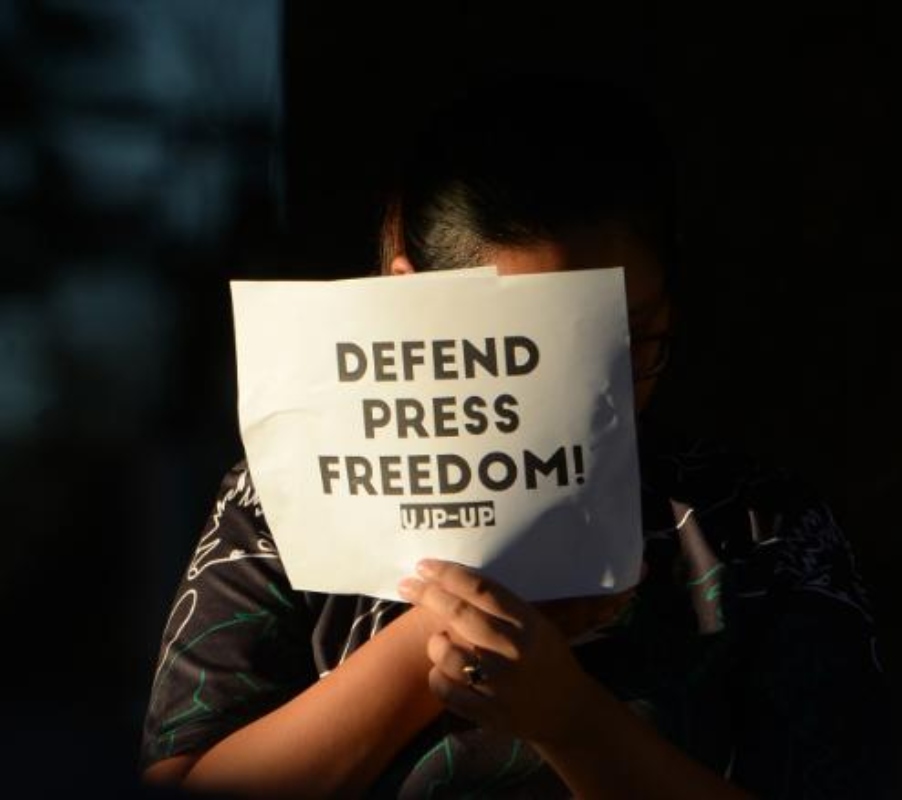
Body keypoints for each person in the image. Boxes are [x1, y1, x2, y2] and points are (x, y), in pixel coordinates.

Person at [139, 73, 897, 798]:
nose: (596, 387)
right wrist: (441, 637)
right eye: (531, 350)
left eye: (631, 340)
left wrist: (573, 723)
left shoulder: (755, 527)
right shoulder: (294, 496)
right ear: (410, 300)